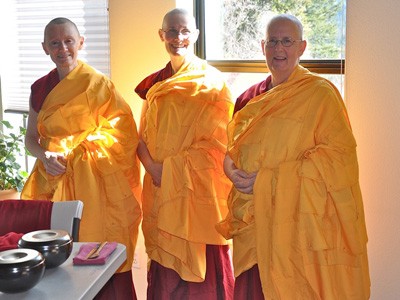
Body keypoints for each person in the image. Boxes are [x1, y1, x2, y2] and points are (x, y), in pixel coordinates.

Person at [216, 14, 370, 299]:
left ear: (302, 47)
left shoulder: (321, 95)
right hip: (253, 224)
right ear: (263, 46)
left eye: (287, 41)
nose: (279, 49)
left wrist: (270, 180)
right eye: (273, 41)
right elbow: (233, 147)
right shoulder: (249, 98)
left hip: (297, 228)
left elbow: (338, 159)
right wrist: (229, 166)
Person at [21, 17, 142, 299]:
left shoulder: (99, 85)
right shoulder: (40, 89)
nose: (63, 48)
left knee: (98, 249)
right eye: (55, 43)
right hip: (52, 179)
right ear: (45, 48)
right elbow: (30, 139)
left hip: (97, 186)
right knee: (57, 256)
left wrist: (78, 153)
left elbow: (123, 137)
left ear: (80, 43)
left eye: (68, 41)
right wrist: (45, 153)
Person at [134, 8, 235, 299]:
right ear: (161, 34)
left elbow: (220, 143)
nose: (179, 37)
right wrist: (153, 168)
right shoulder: (152, 85)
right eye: (172, 31)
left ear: (196, 35)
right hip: (160, 189)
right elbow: (141, 137)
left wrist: (173, 170)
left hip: (196, 196)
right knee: (166, 273)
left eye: (185, 31)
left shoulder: (212, 82)